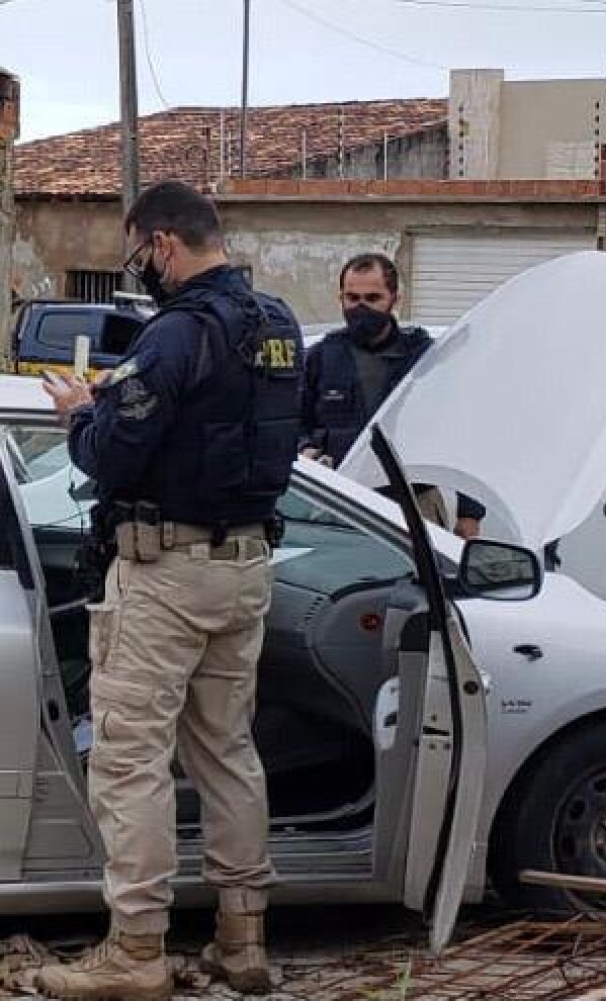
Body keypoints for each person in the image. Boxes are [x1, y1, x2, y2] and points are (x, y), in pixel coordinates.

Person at [38, 181, 304, 1000]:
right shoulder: (281, 327)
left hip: (166, 573)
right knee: (227, 752)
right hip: (246, 568)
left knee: (129, 760)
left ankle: (137, 950)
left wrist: (83, 414)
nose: (140, 269)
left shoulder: (179, 332)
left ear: (161, 244)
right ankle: (241, 939)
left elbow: (113, 454)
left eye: (138, 254)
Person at [299, 252, 484, 538]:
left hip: (413, 505)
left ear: (395, 300)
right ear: (341, 298)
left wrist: (469, 515)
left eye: (373, 299)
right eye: (352, 298)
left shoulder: (426, 358)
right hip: (340, 504)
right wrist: (305, 449)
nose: (361, 308)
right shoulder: (323, 357)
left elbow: (462, 435)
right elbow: (294, 422)